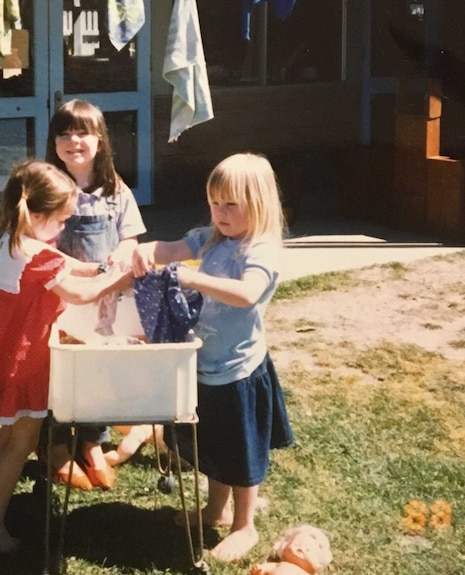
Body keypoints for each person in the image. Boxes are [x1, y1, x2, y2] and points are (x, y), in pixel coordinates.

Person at [0, 159, 133, 554]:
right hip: (26, 353)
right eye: (61, 221)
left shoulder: (13, 238)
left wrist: (97, 268)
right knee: (23, 441)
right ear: (38, 214)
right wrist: (120, 279)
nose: (63, 228)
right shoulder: (38, 255)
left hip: (3, 346)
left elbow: (71, 266)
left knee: (7, 431)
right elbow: (78, 294)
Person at [131, 152, 294, 563]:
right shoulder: (212, 237)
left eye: (229, 205)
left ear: (257, 205)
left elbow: (246, 294)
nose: (219, 212)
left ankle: (245, 524)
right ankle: (215, 510)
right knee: (212, 444)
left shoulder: (260, 251)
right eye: (213, 203)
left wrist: (192, 276)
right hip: (205, 363)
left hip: (239, 370)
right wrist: (139, 251)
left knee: (241, 451)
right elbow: (169, 249)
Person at [42, 98, 148, 490]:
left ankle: (92, 442)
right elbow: (35, 243)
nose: (73, 141)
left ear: (100, 141)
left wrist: (117, 260)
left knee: (98, 368)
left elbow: (130, 238)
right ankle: (56, 445)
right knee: (60, 370)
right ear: (54, 143)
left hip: (101, 298)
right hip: (56, 296)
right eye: (64, 133)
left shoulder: (115, 189)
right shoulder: (45, 187)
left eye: (82, 132)